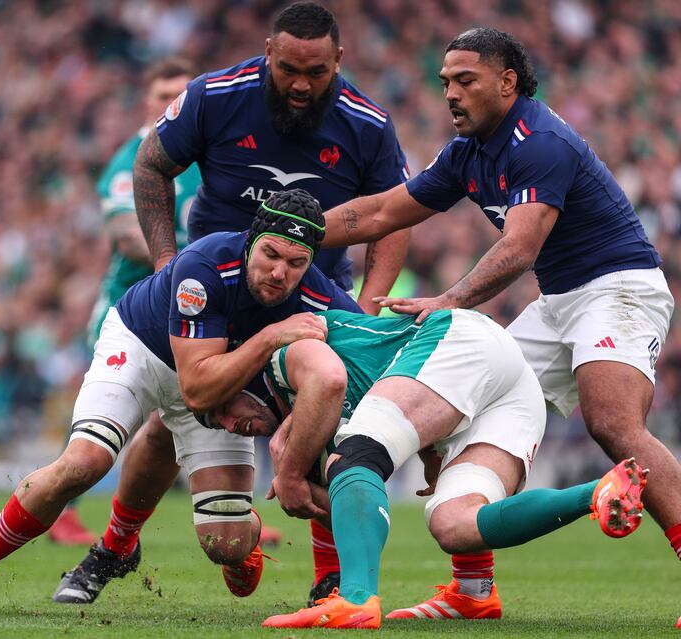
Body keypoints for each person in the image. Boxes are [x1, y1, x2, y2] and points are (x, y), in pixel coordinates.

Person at [317, 27, 679, 623]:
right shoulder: (467, 151)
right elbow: (382, 211)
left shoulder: (540, 141)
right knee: (464, 397)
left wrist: (451, 298)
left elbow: (519, 248)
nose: (450, 94)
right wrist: (292, 229)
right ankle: (473, 590)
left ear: (507, 82)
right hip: (559, 300)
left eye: (466, 80)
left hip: (618, 287)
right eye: (445, 82)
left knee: (613, 421)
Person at [71, 0, 411, 605]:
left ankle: (330, 579)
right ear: (267, 53)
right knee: (168, 423)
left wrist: (369, 302)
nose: (301, 85)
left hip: (310, 298)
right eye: (289, 70)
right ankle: (118, 544)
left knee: (327, 423)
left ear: (338, 60)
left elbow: (392, 214)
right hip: (216, 294)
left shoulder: (367, 124)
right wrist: (167, 264)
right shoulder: (216, 95)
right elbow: (152, 165)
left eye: (316, 72)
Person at [0, 189, 361, 617]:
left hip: (221, 379)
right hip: (143, 350)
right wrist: (269, 338)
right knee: (84, 462)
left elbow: (367, 367)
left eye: (296, 263)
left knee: (228, 545)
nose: (280, 272)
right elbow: (195, 391)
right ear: (250, 241)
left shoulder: (321, 296)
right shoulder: (204, 265)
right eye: (271, 255)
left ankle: (235, 532)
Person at [202, 309, 647, 628]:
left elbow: (331, 381)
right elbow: (350, 494)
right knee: (454, 523)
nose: (229, 424)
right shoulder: (301, 411)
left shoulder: (284, 356)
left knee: (355, 456)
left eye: (223, 406)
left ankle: (355, 599)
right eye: (215, 423)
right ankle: (593, 496)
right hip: (506, 386)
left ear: (244, 377)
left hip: (461, 340)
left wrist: (291, 473)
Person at [48, 58, 203, 547]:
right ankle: (62, 512)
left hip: (189, 305)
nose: (171, 103)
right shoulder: (131, 158)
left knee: (195, 403)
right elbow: (126, 236)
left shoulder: (207, 156)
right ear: (146, 102)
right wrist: (191, 258)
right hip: (130, 310)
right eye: (162, 95)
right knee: (106, 411)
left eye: (181, 94)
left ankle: (226, 512)